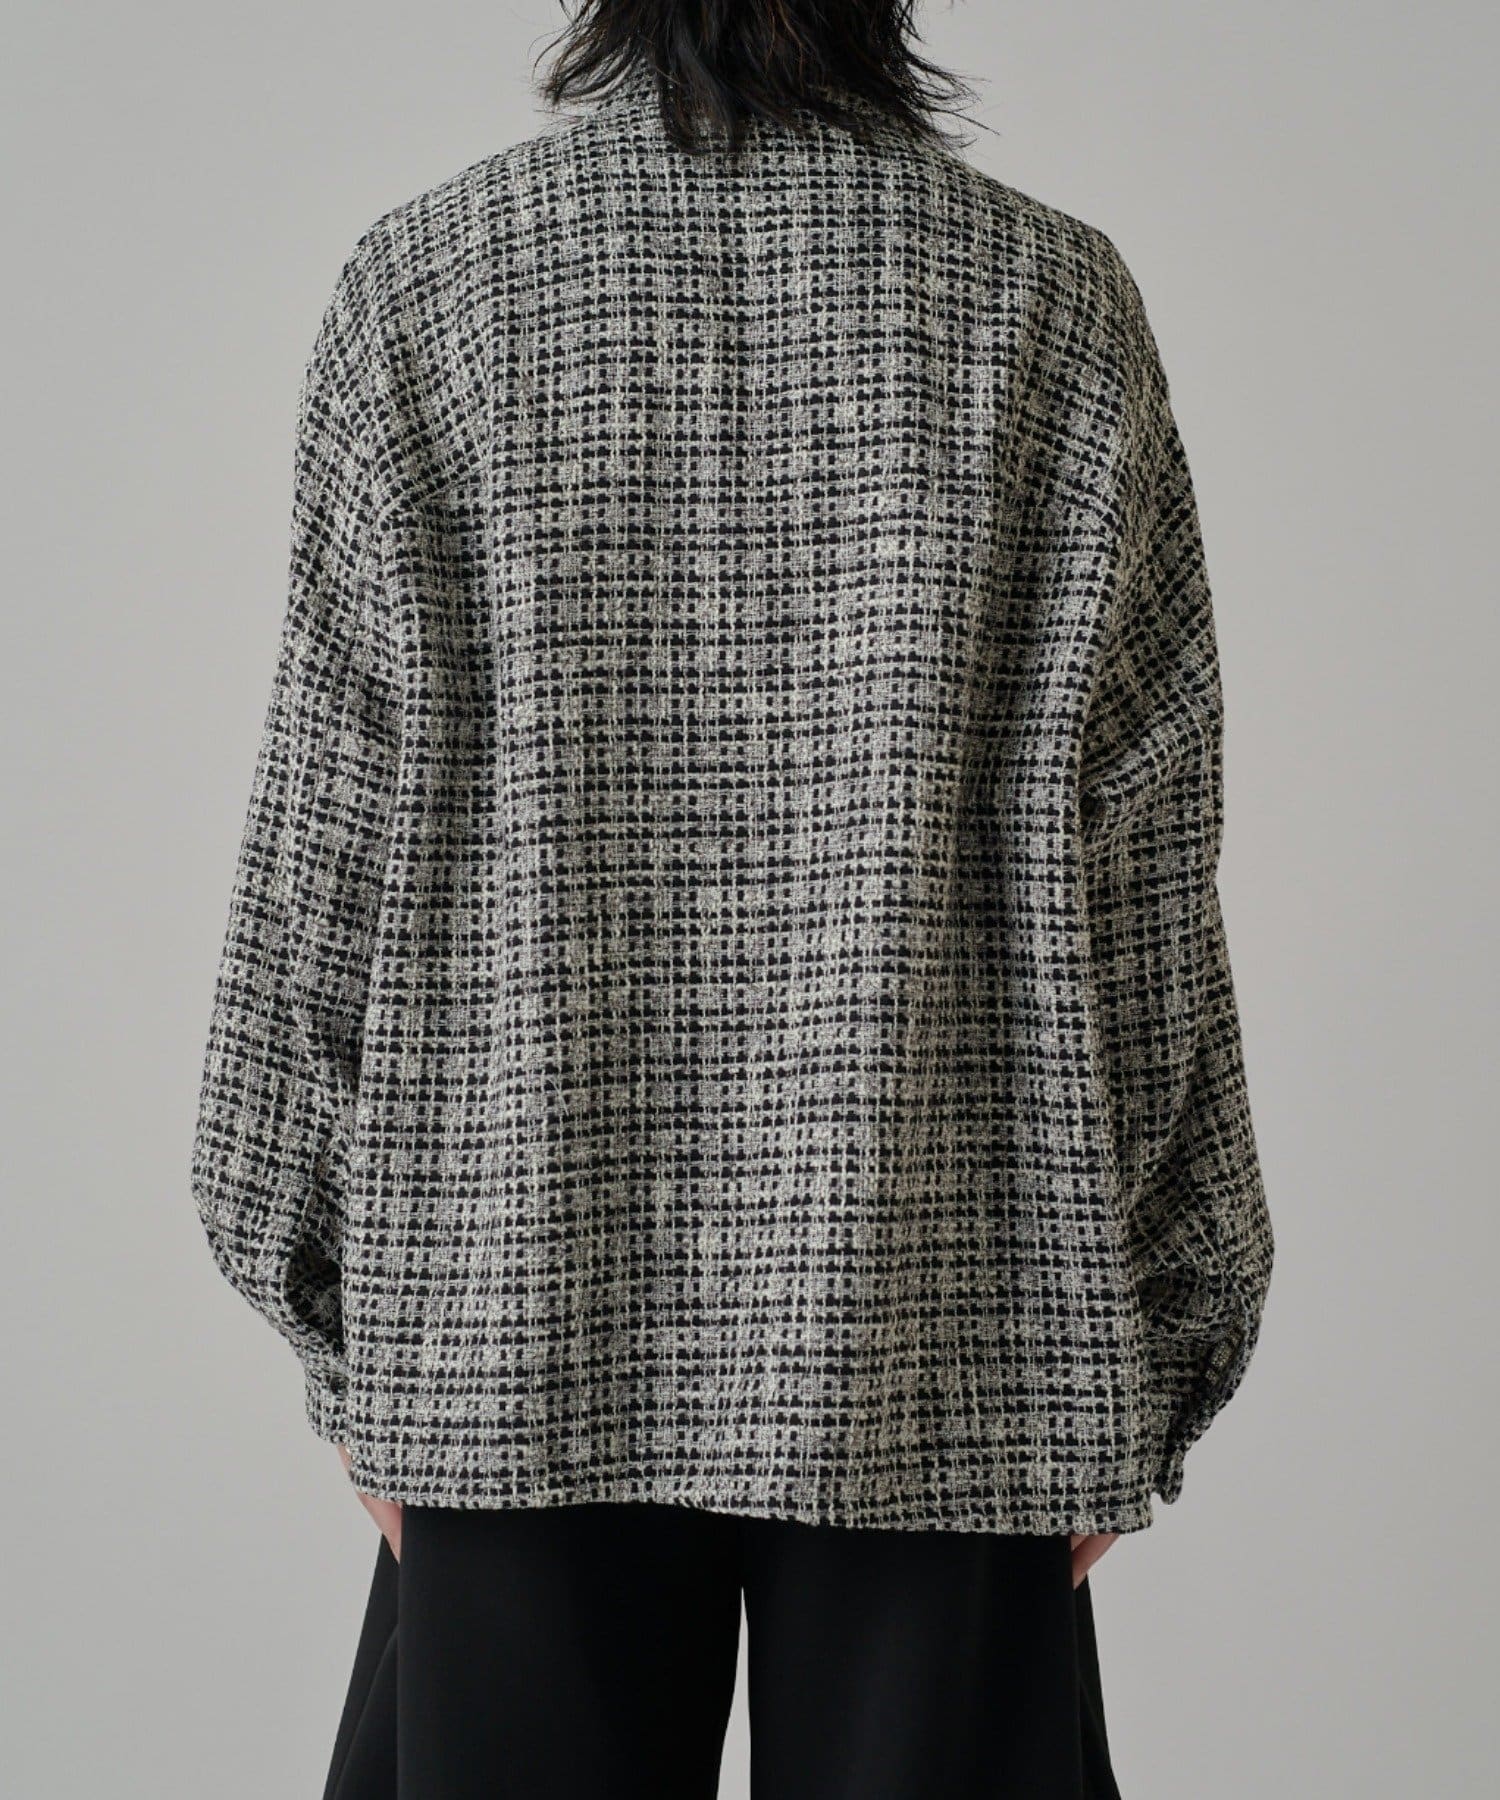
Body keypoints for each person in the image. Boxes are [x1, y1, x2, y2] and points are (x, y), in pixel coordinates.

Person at [189, 5, 1275, 1796]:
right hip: (952, 1323)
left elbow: (331, 835)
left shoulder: (431, 284)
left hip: (510, 1299)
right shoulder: (1049, 301)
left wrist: (343, 1316)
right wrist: (1151, 1338)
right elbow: (1142, 870)